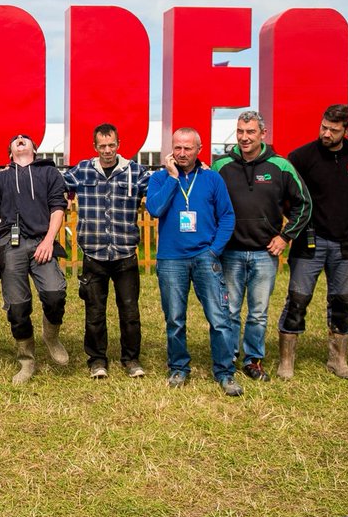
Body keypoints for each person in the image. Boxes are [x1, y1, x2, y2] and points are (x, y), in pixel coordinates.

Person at [212, 111, 311, 382]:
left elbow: (304, 203)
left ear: (262, 134)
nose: (244, 137)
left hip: (265, 253)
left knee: (257, 313)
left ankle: (253, 359)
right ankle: (229, 357)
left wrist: (285, 236)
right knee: (229, 309)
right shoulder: (221, 165)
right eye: (241, 132)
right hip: (230, 252)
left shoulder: (281, 166)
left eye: (250, 132)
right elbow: (209, 202)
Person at [275, 104, 348, 379]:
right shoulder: (302, 157)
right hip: (309, 242)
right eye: (324, 127)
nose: (326, 133)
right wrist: (299, 225)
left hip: (342, 243)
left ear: (347, 131)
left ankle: (338, 361)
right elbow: (287, 198)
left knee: (342, 301)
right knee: (297, 299)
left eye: (334, 130)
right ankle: (286, 363)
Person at [145, 128, 238, 395]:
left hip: (204, 257)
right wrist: (173, 179)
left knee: (219, 317)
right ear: (171, 150)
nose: (182, 153)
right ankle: (178, 367)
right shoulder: (160, 178)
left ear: (199, 149)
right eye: (177, 148)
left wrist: (214, 250)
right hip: (171, 259)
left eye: (188, 148)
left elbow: (227, 216)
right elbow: (154, 209)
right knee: (175, 318)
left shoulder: (212, 179)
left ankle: (224, 372)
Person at [62, 123, 152, 378]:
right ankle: (97, 360)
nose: (107, 150)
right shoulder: (82, 171)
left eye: (111, 145)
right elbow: (56, 184)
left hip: (125, 254)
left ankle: (131, 359)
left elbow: (159, 190)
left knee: (130, 311)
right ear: (95, 147)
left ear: (118, 144)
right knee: (94, 312)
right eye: (102, 146)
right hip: (94, 254)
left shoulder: (137, 172)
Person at [0, 133, 70, 384]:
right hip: (10, 246)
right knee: (17, 305)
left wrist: (48, 240)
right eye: (15, 139)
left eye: (25, 138)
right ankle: (26, 359)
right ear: (10, 151)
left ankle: (51, 336)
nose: (20, 139)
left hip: (42, 241)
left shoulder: (49, 174)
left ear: (34, 147)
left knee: (55, 292)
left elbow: (57, 208)